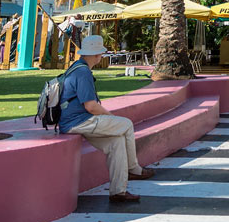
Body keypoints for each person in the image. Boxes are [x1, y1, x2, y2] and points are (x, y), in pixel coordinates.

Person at [59, 34, 156, 202]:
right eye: (100, 54)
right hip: (80, 121)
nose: (101, 57)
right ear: (97, 55)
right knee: (126, 124)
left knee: (116, 143)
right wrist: (111, 117)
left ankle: (118, 191)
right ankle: (134, 169)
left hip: (74, 122)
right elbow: (90, 106)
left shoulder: (77, 67)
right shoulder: (83, 72)